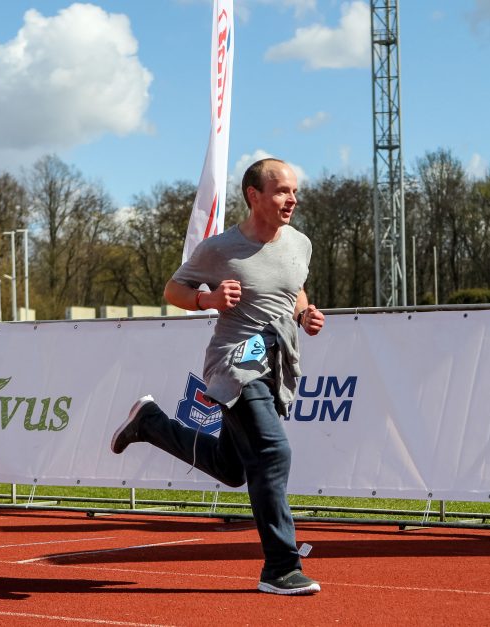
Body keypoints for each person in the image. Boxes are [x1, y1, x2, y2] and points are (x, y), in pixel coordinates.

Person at [110, 158, 325, 595]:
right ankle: (281, 568)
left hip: (275, 364)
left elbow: (294, 285)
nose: (292, 199)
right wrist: (208, 299)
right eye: (282, 190)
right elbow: (174, 289)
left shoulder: (300, 244)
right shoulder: (219, 248)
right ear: (255, 195)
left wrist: (304, 312)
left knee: (232, 468)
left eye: (294, 191)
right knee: (272, 453)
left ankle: (150, 423)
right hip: (234, 363)